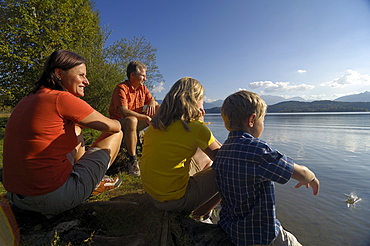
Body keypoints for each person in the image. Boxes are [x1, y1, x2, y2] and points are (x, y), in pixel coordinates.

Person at [2, 50, 124, 218]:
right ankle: (93, 182)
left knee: (75, 128)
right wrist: (124, 121)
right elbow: (112, 127)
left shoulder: (28, 99)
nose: (86, 82)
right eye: (81, 75)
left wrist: (79, 122)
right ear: (59, 73)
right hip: (50, 199)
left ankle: (81, 179)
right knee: (116, 134)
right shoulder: (62, 98)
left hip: (18, 197)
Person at [212, 90, 320, 246]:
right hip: (260, 234)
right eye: (263, 120)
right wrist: (312, 177)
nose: (263, 124)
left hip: (231, 229)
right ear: (252, 119)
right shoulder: (258, 150)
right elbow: (300, 173)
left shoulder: (223, 151)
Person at [140, 77, 221, 215]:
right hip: (175, 201)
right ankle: (200, 215)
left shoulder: (156, 125)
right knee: (230, 168)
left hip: (153, 195)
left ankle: (201, 205)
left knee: (201, 156)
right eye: (202, 99)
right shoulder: (195, 128)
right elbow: (225, 158)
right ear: (195, 100)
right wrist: (201, 122)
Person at [109, 61, 159, 176]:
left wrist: (152, 102)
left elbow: (152, 101)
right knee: (132, 120)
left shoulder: (143, 88)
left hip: (136, 121)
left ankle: (161, 146)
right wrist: (145, 117)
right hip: (120, 123)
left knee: (159, 109)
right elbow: (124, 112)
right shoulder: (121, 88)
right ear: (132, 75)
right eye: (143, 76)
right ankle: (133, 161)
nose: (145, 79)